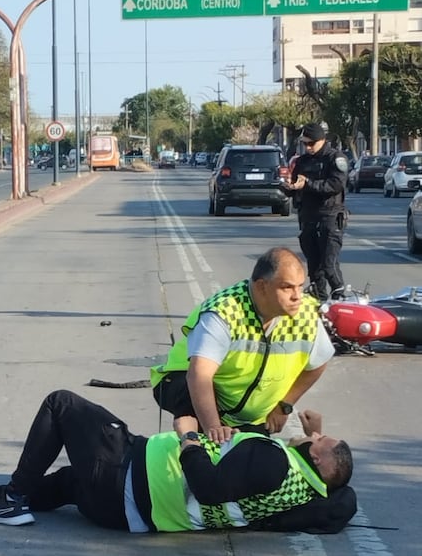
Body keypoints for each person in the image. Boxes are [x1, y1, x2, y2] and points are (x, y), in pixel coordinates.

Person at [0, 390, 356, 535]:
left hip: (127, 476)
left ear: (316, 457)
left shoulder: (277, 465)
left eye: (319, 440)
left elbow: (210, 488)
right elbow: (282, 454)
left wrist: (188, 436)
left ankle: (14, 498)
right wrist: (313, 428)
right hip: (123, 510)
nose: (315, 435)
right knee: (68, 481)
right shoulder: (300, 489)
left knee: (61, 405)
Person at [150, 247, 334, 443]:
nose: (297, 296)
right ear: (262, 286)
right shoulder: (225, 312)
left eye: (300, 286)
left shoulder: (305, 313)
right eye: (287, 287)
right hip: (184, 380)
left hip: (239, 407)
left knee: (254, 457)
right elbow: (199, 375)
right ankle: (191, 444)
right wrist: (214, 429)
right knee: (213, 450)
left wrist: (284, 406)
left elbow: (318, 363)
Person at [284, 122, 349, 301]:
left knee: (329, 265)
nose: (308, 147)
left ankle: (340, 298)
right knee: (314, 267)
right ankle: (319, 302)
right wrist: (288, 187)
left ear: (322, 140)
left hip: (330, 216)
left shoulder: (335, 158)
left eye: (311, 143)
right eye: (305, 143)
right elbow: (297, 185)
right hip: (308, 217)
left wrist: (308, 184)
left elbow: (335, 185)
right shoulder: (302, 161)